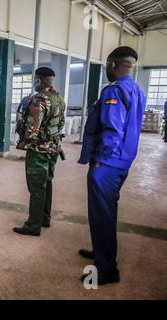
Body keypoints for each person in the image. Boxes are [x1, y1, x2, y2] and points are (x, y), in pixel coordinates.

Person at [77, 46, 146, 285]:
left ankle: (106, 270)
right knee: (107, 212)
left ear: (112, 64)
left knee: (101, 216)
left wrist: (98, 161)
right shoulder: (137, 90)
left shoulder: (113, 91)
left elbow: (112, 130)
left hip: (107, 164)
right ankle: (101, 252)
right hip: (122, 162)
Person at [13, 67, 66, 237]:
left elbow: (32, 131)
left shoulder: (39, 100)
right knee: (47, 183)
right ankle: (45, 218)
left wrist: (23, 135)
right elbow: (60, 124)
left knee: (36, 187)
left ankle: (33, 225)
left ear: (40, 80)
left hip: (39, 151)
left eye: (34, 79)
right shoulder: (59, 98)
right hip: (53, 149)